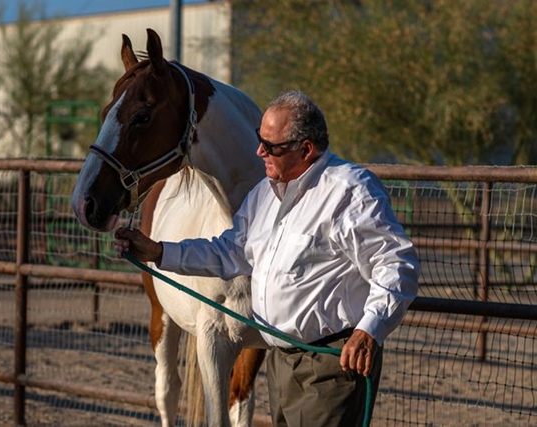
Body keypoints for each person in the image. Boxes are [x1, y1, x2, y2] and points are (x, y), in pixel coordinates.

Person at [115, 90, 419, 427]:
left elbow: (396, 264)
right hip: (282, 362)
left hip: (332, 364)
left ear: (306, 150)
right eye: (260, 141)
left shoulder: (349, 192)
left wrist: (369, 330)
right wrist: (159, 252)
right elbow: (229, 251)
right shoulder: (265, 194)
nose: (260, 152)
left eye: (271, 146)